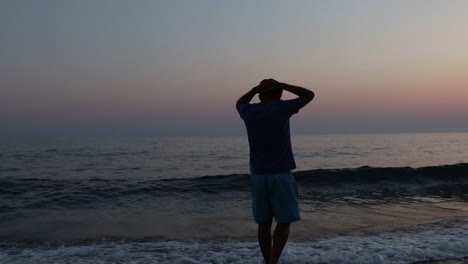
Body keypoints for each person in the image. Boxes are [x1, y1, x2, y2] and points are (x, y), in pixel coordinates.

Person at [236, 78, 315, 264]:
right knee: (284, 221)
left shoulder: (250, 111)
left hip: (258, 176)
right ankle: (273, 261)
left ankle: (267, 261)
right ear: (279, 93)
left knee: (263, 224)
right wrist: (285, 85)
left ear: (260, 94)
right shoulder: (281, 108)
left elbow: (239, 103)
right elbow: (309, 95)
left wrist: (253, 89)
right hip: (280, 175)